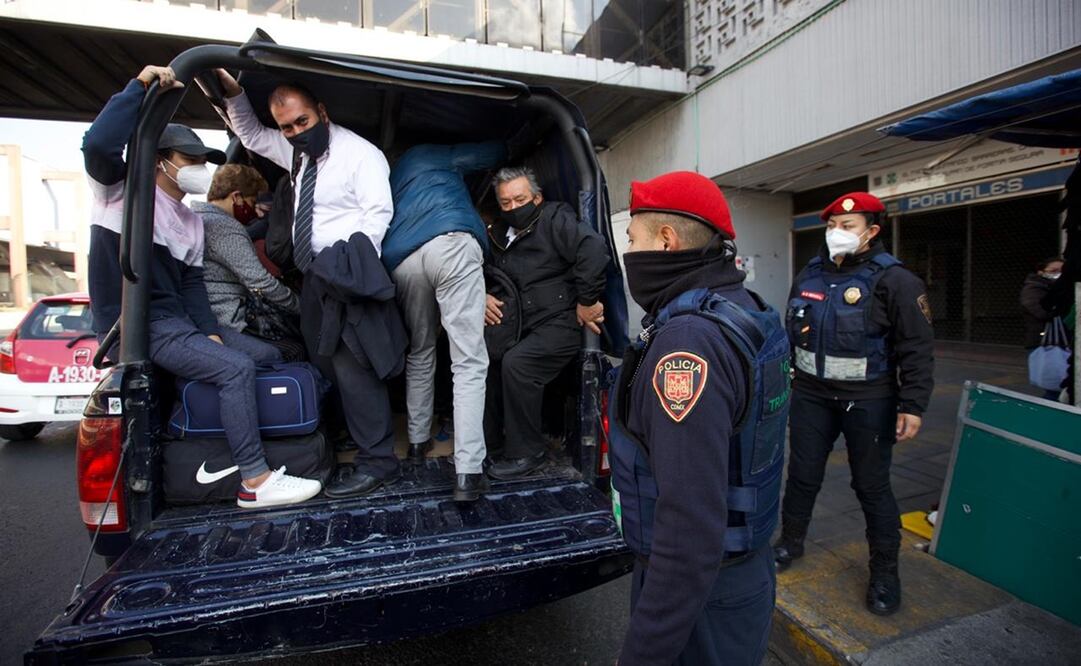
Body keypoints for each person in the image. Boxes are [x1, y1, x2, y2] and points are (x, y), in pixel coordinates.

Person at [83, 65, 321, 508]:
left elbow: (192, 285)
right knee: (234, 369)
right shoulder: (119, 193)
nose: (198, 170)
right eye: (190, 162)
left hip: (179, 324)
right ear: (160, 159)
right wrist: (137, 88)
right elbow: (98, 144)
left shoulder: (192, 221)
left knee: (266, 354)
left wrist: (211, 331)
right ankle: (255, 480)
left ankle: (229, 443)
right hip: (137, 326)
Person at [609, 171, 789, 665]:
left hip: (701, 593)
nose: (628, 252)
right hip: (733, 577)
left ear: (665, 242)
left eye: (632, 238)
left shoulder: (689, 342)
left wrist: (642, 655)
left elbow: (690, 527)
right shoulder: (742, 306)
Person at [215, 69, 406, 498]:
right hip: (312, 276)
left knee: (355, 370)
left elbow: (378, 216)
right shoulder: (298, 154)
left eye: (302, 122)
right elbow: (249, 135)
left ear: (321, 112)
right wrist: (234, 93)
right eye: (287, 127)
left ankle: (379, 462)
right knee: (323, 365)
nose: (295, 133)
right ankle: (345, 441)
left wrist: (349, 268)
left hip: (346, 272)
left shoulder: (361, 155)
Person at [773, 192, 934, 616]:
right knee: (802, 475)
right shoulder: (809, 273)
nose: (837, 234)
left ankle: (885, 572)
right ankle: (789, 542)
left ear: (872, 232)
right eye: (832, 227)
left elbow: (917, 347)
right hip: (811, 395)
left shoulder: (896, 281)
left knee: (871, 485)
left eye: (848, 227)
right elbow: (791, 332)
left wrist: (913, 405)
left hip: (869, 400)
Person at [382, 142, 507, 502]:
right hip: (449, 243)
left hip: (403, 261)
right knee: (468, 360)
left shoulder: (389, 178)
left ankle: (418, 444)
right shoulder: (430, 154)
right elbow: (489, 155)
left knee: (420, 351)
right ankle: (468, 472)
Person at [482, 167, 608, 479]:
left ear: (537, 198)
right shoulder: (497, 236)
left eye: (520, 199)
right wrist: (481, 294)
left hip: (560, 322)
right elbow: (484, 273)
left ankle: (528, 454)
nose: (513, 208)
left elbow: (592, 248)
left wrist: (588, 300)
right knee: (484, 360)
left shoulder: (554, 218)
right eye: (506, 203)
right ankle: (491, 447)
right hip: (519, 324)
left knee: (517, 364)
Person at [192, 164, 304, 360]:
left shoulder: (197, 218)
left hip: (210, 314)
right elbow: (260, 282)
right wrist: (300, 306)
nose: (256, 212)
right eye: (252, 203)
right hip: (231, 320)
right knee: (296, 349)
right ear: (236, 197)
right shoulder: (223, 227)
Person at [1021, 257, 1066, 400]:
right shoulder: (1033, 289)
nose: (1058, 274)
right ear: (1041, 272)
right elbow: (1041, 312)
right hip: (1044, 343)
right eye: (1054, 271)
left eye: (1062, 271)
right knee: (1054, 387)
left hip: (1062, 342)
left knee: (1061, 386)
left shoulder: (1062, 287)